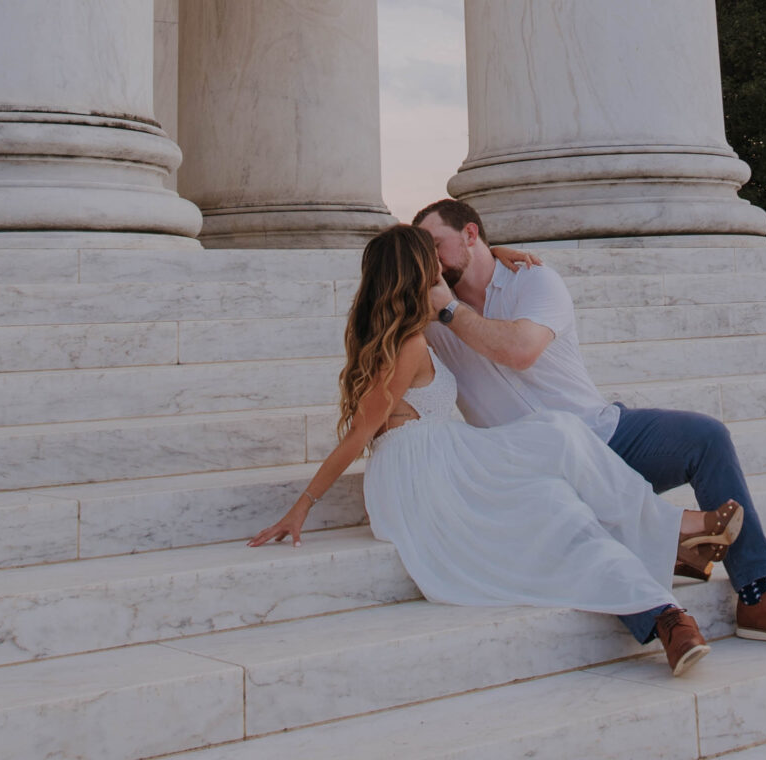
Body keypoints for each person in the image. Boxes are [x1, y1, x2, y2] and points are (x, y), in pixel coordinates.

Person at [248, 224, 738, 676]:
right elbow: (358, 435)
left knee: (561, 435)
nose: (442, 268)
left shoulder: (426, 327)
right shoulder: (409, 346)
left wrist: (493, 252)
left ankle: (673, 563)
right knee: (557, 506)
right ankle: (670, 605)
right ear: (417, 272)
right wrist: (302, 507)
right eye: (432, 262)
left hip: (450, 457)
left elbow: (450, 260)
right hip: (421, 477)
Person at [414, 196, 766, 649]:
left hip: (605, 432)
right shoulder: (427, 316)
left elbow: (520, 350)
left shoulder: (533, 280)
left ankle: (756, 595)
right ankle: (667, 605)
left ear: (471, 235)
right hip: (533, 467)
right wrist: (438, 306)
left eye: (436, 244)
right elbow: (380, 281)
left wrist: (455, 310)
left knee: (707, 437)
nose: (430, 259)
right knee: (571, 518)